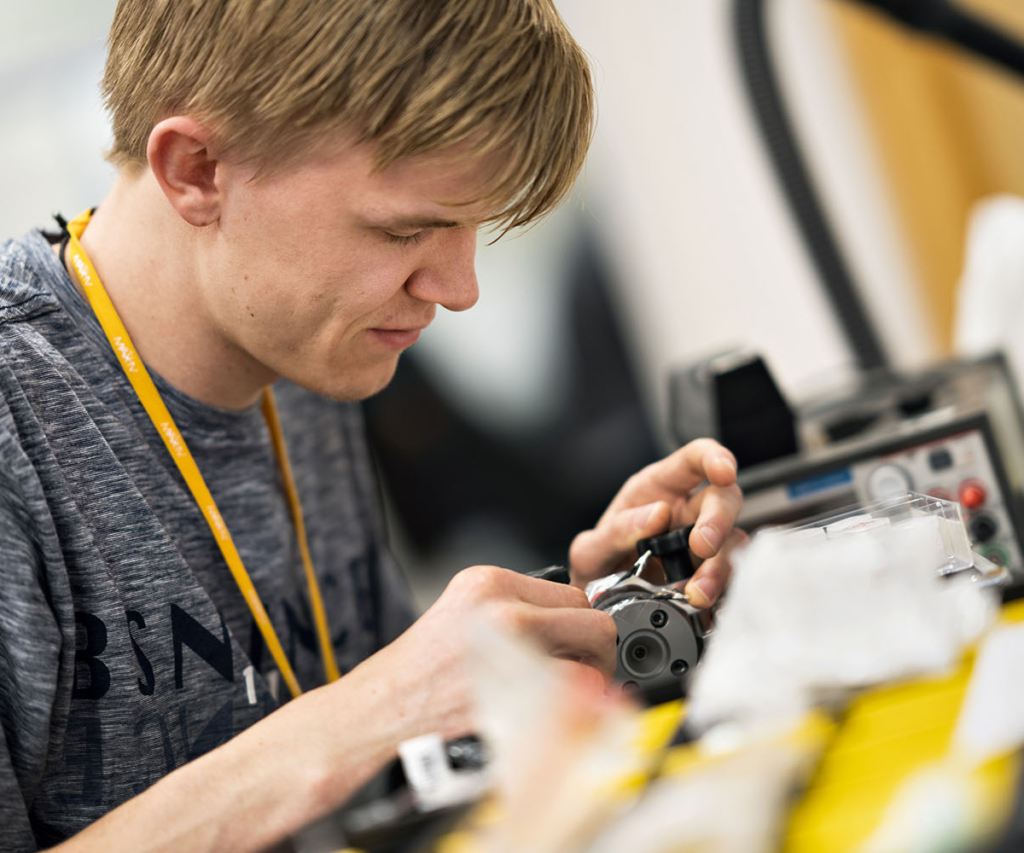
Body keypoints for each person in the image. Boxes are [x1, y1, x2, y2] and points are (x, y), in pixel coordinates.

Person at [0, 1, 744, 850]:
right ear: (197, 169)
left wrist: (579, 617)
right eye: (405, 229)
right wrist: (363, 716)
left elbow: (377, 773)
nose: (459, 289)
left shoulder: (306, 347)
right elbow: (352, 723)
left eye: (471, 226)